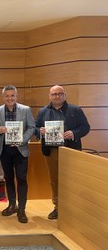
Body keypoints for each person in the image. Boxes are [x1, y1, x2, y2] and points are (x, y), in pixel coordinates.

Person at [35, 85, 90, 220]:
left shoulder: (75, 110)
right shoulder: (43, 111)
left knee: (72, 179)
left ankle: (72, 206)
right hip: (51, 150)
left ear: (64, 95)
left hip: (71, 150)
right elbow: (35, 127)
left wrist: (74, 133)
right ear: (49, 96)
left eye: (60, 94)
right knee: (55, 180)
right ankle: (58, 207)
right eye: (54, 94)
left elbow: (86, 127)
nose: (57, 96)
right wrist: (39, 131)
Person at [0, 85, 35, 223]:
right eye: (7, 96)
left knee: (22, 178)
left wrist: (22, 140)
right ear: (3, 97)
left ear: (16, 96)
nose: (10, 98)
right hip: (5, 150)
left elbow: (31, 127)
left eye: (12, 96)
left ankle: (21, 209)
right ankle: (12, 205)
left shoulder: (25, 109)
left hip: (20, 150)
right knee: (9, 178)